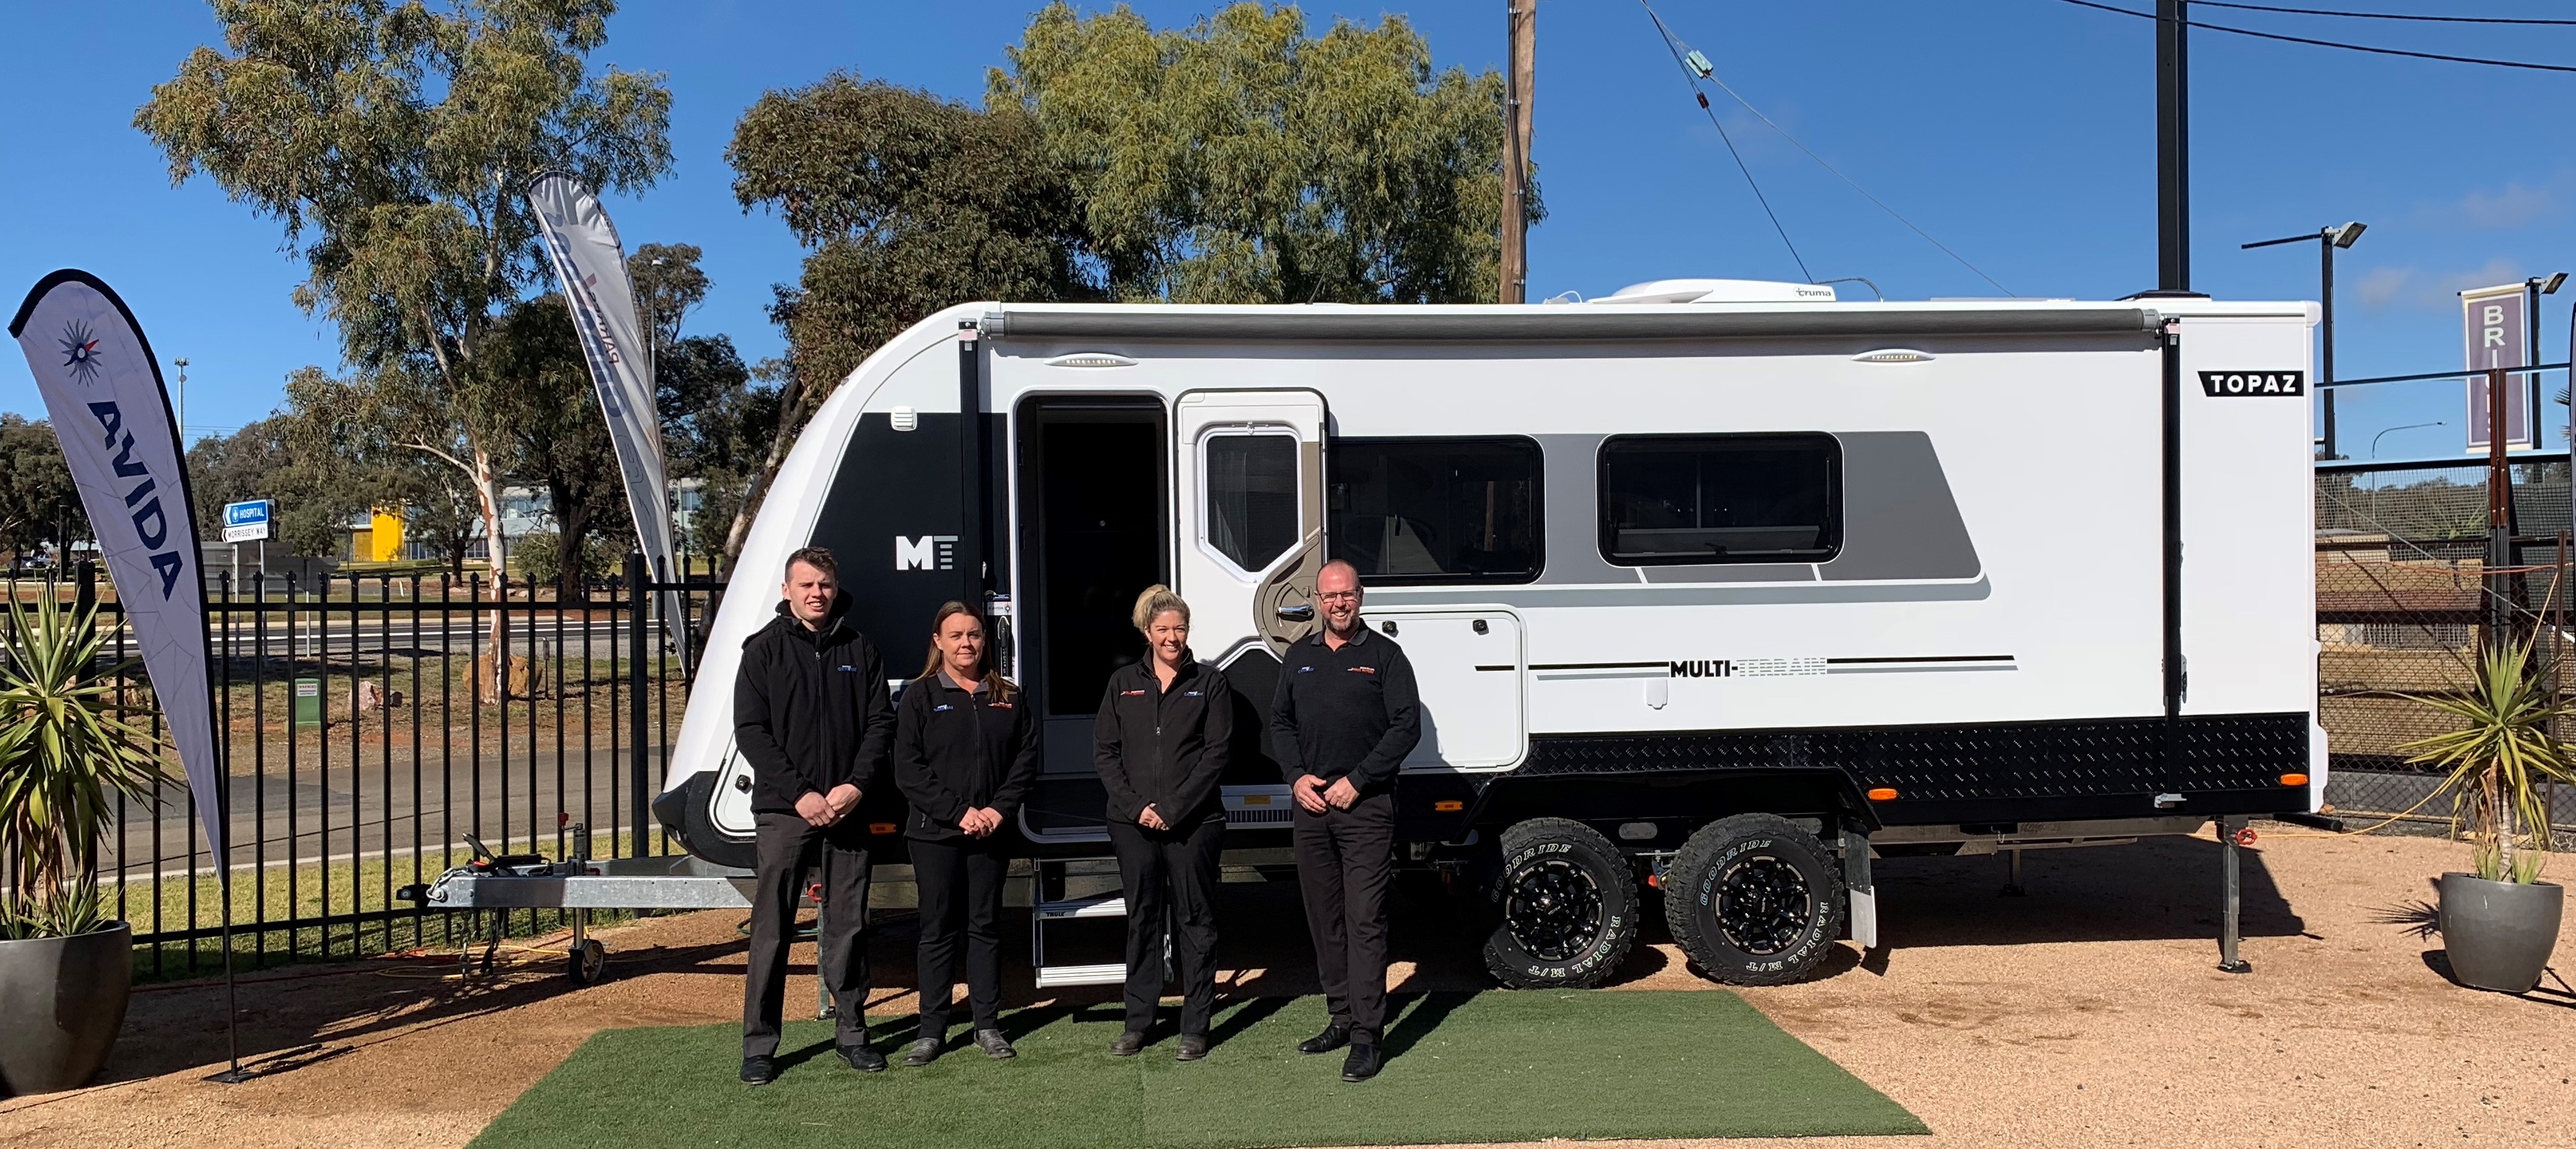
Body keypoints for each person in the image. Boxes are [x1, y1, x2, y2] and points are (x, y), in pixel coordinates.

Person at [733, 546, 894, 1085]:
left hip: (848, 810)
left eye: (823, 584)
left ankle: (852, 1034)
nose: (815, 594)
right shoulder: (762, 652)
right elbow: (752, 731)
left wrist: (855, 786)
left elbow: (879, 725)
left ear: (834, 587)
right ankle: (760, 1045)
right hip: (785, 811)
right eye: (805, 585)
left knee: (848, 926)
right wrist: (800, 793)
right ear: (787, 591)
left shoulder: (860, 649)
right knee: (772, 930)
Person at [1270, 558, 1420, 1083]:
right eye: (1330, 596)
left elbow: (1407, 728)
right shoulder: (1299, 656)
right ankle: (1340, 1017)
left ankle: (1366, 1037)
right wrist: (1295, 777)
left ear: (1361, 598)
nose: (1338, 603)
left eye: (1347, 595)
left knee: (1363, 921)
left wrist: (1357, 780)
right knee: (1324, 919)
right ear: (1318, 599)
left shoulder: (1384, 656)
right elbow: (1280, 723)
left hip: (1366, 808)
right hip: (1311, 808)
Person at [893, 601, 1041, 1066]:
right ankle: (931, 1031)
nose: (965, 644)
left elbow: (1026, 759)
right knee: (937, 930)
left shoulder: (1009, 696)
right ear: (938, 641)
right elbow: (908, 770)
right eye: (955, 635)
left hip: (991, 833)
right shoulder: (919, 696)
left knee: (985, 928)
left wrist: (997, 810)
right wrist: (959, 813)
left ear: (985, 640)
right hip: (935, 833)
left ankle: (987, 1025)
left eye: (974, 635)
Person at [1093, 585, 1233, 1061]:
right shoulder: (1122, 683)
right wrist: (1136, 808)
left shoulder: (1209, 683)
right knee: (1143, 920)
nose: (1172, 637)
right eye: (1163, 629)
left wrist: (1172, 808)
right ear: (1147, 633)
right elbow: (1105, 754)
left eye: (1179, 628)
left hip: (1193, 822)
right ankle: (1138, 1023)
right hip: (1132, 824)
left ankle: (1195, 1026)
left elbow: (1216, 755)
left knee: (1196, 920)